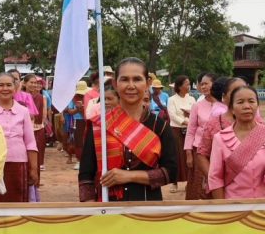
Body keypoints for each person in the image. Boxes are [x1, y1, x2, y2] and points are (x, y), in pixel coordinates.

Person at [78, 58, 179, 202]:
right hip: (107, 209)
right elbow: (85, 177)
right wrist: (92, 210)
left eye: (137, 79)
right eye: (124, 79)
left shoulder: (160, 126)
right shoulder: (100, 124)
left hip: (148, 208)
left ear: (147, 83)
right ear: (115, 84)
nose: (131, 86)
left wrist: (129, 176)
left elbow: (171, 172)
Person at [208, 85, 265, 200]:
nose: (246, 106)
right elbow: (215, 177)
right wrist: (223, 207)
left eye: (251, 101)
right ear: (232, 109)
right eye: (240, 102)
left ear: (257, 106)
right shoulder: (220, 139)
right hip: (234, 206)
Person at [0, 72, 38, 202]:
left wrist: (34, 169)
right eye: (1, 85)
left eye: (9, 85)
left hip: (19, 164)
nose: (5, 88)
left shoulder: (23, 111)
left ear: (15, 87)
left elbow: (30, 142)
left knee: (17, 203)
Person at [195, 76, 250, 198]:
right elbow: (202, 155)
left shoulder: (259, 125)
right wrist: (215, 181)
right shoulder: (214, 124)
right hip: (221, 191)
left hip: (253, 189)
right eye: (235, 91)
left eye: (245, 89)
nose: (241, 94)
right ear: (224, 97)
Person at [183, 73, 218, 200]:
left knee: (215, 182)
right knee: (198, 185)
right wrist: (188, 153)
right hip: (198, 151)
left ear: (215, 84)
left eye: (206, 83)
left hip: (218, 152)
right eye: (201, 84)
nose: (203, 87)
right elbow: (191, 131)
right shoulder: (197, 106)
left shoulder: (224, 105)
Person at [166, 75, 196, 190]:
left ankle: (189, 181)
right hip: (176, 130)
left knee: (189, 156)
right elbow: (172, 115)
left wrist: (190, 118)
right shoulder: (172, 99)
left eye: (189, 84)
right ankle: (174, 182)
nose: (189, 86)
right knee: (176, 156)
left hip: (190, 131)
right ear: (179, 86)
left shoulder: (192, 99)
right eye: (187, 84)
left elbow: (195, 113)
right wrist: (186, 122)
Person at [24, 74, 47, 171]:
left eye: (35, 83)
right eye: (31, 82)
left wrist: (43, 124)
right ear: (24, 83)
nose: (34, 85)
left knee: (38, 153)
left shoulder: (41, 97)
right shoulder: (19, 96)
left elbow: (44, 113)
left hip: (38, 128)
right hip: (24, 129)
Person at [63, 82, 88, 166]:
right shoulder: (73, 98)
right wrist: (78, 109)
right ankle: (79, 160)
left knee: (86, 140)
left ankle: (86, 159)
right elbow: (70, 111)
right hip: (77, 121)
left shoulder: (88, 97)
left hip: (88, 120)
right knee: (77, 141)